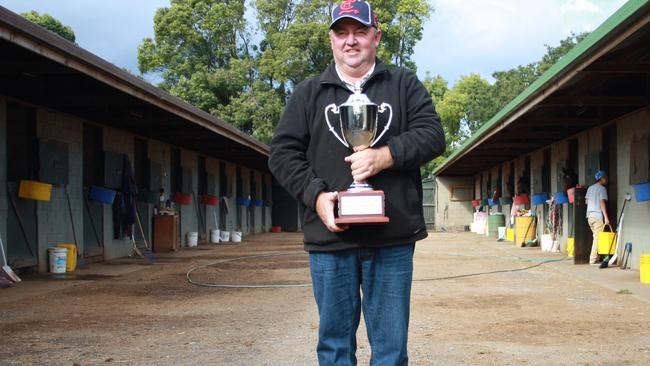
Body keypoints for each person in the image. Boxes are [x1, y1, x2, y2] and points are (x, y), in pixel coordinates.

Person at [268, 1, 445, 364]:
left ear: (376, 37)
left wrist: (386, 155)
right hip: (330, 240)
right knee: (334, 348)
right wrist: (316, 196)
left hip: (392, 239)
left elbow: (432, 135)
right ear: (331, 39)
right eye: (342, 32)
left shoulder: (403, 84)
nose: (351, 41)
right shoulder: (308, 94)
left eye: (360, 32)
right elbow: (282, 154)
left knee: (391, 351)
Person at [586, 170, 610, 265]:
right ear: (602, 178)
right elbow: (601, 202)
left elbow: (586, 201)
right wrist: (606, 217)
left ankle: (597, 258)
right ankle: (592, 260)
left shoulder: (590, 188)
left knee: (595, 237)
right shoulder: (602, 189)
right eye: (605, 178)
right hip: (597, 216)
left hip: (589, 217)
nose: (607, 179)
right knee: (597, 238)